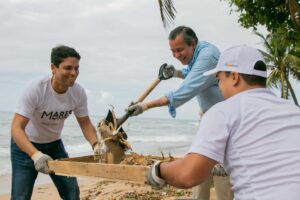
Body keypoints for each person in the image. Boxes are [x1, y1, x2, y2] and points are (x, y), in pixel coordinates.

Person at [146, 45, 300, 200]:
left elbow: (188, 174)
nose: (219, 87)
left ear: (234, 77)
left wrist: (159, 170)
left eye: (219, 79)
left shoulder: (223, 111)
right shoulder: (293, 110)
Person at [126, 26, 233, 200]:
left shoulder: (208, 56)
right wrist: (175, 73)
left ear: (193, 44)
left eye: (180, 50)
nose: (176, 55)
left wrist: (145, 106)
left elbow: (185, 90)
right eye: (173, 51)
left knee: (221, 172)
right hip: (208, 117)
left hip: (225, 120)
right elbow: (191, 73)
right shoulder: (198, 54)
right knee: (199, 164)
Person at [10, 45, 104, 200]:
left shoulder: (78, 93)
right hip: (25, 147)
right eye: (68, 68)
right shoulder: (36, 89)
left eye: (76, 68)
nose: (73, 73)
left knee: (71, 193)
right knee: (21, 196)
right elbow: (16, 128)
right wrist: (35, 155)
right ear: (53, 68)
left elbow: (86, 124)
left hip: (54, 145)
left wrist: (97, 145)